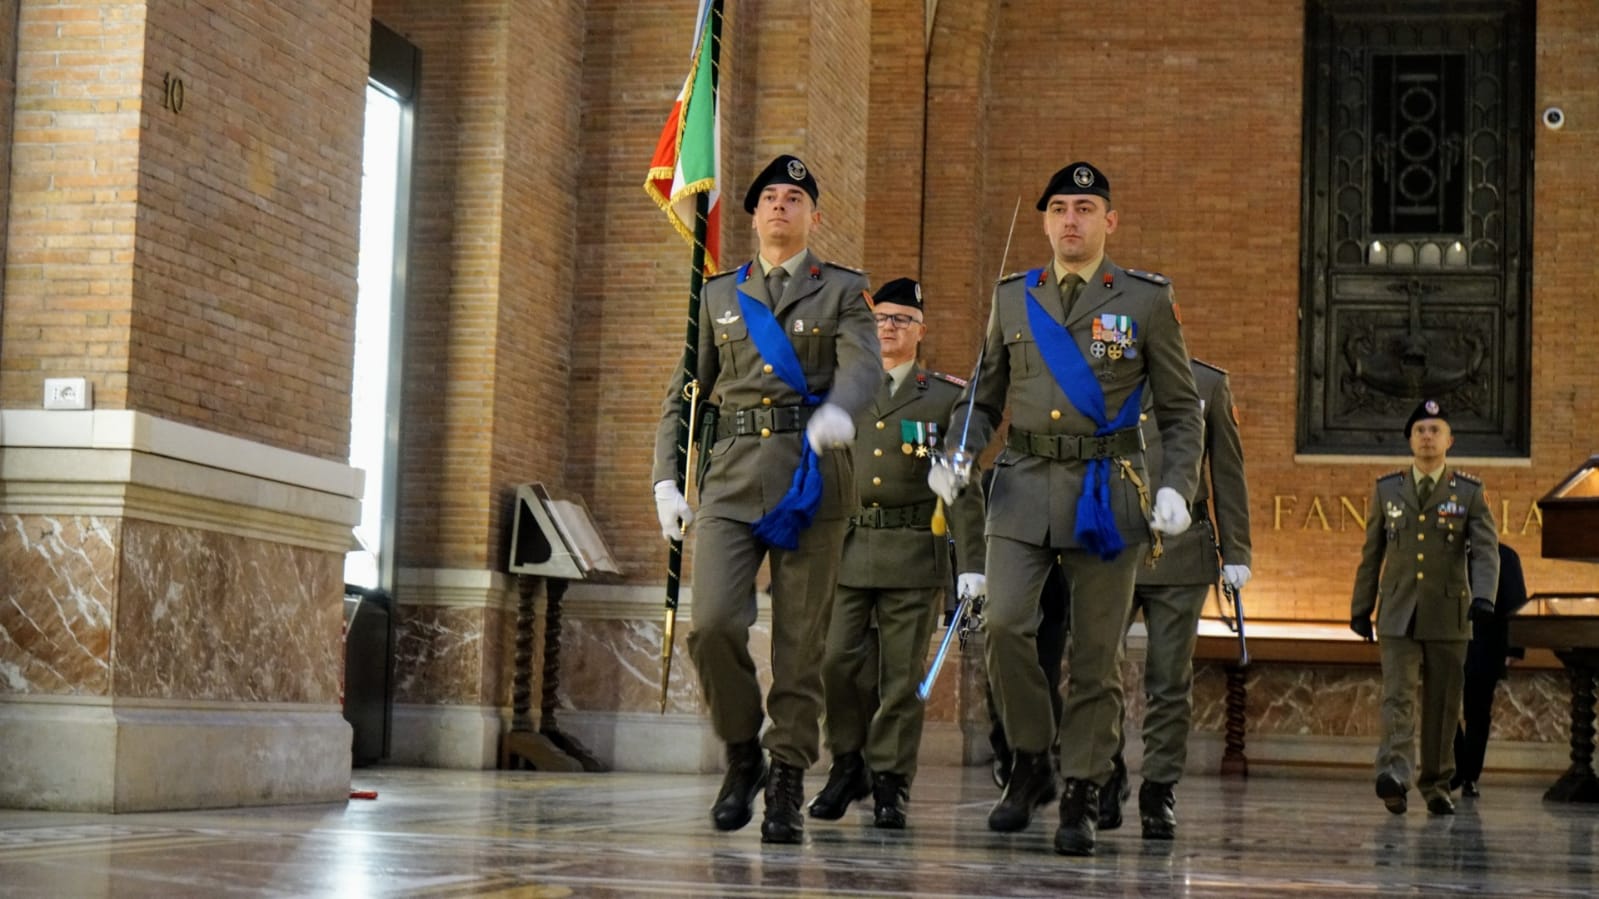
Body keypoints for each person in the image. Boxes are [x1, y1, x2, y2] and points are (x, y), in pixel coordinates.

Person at [930, 161, 1204, 857]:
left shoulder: (1144, 300)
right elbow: (984, 395)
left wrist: (1176, 485)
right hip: (1021, 485)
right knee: (1004, 627)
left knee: (1095, 656)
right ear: (1045, 223)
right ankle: (1030, 759)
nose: (1071, 220)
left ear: (1109, 221)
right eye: (1058, 209)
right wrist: (958, 452)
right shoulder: (1012, 297)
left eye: (1084, 209)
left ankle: (1082, 787)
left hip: (1106, 491)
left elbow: (1180, 410)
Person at [651, 154, 881, 844]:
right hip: (728, 479)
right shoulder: (718, 294)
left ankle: (786, 773)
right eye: (770, 198)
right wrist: (666, 478)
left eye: (794, 198)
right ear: (753, 216)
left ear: (814, 215)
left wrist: (840, 408)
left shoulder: (841, 290)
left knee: (801, 644)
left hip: (811, 478)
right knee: (713, 624)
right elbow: (686, 393)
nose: (780, 206)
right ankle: (742, 751)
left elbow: (863, 367)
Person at [808, 277, 987, 829]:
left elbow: (964, 485)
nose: (888, 327)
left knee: (902, 679)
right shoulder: (842, 388)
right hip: (846, 549)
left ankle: (889, 779)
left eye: (901, 320)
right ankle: (847, 763)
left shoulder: (946, 396)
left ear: (920, 331)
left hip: (912, 554)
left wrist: (972, 566)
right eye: (881, 318)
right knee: (836, 665)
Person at [1099, 358, 1252, 839]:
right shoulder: (1101, 371)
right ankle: (1104, 774)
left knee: (1169, 678)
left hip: (1182, 551)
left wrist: (1237, 551)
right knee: (1096, 669)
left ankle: (1159, 788)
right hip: (1111, 544)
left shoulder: (1207, 383)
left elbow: (1227, 471)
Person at [1350, 399, 1500, 817]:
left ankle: (1436, 783)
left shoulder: (1468, 492)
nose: (1427, 437)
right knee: (1397, 697)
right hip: (1397, 611)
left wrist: (1484, 596)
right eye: (1420, 430)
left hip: (1449, 614)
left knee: (1443, 703)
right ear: (1410, 440)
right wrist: (1361, 607)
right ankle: (1394, 775)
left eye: (1435, 430)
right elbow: (1372, 553)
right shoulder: (1387, 490)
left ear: (1450, 440)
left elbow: (1486, 551)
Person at [1451, 542, 1529, 798]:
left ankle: (1469, 776)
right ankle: (1457, 768)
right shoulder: (1446, 549)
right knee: (1445, 710)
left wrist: (1514, 649)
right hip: (1449, 645)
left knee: (1477, 713)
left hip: (1486, 647)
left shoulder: (1505, 555)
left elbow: (1516, 602)